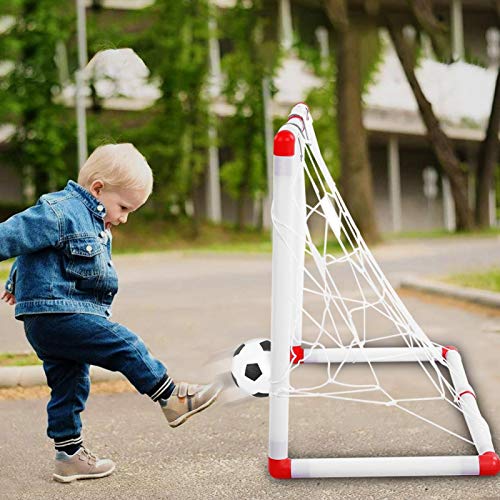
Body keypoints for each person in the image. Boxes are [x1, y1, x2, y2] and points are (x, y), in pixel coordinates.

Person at [0, 143, 221, 483]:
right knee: (124, 344)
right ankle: (171, 397)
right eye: (123, 207)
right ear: (98, 188)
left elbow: (36, 250)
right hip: (58, 315)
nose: (124, 217)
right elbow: (15, 235)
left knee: (70, 384)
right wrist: (19, 282)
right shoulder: (61, 211)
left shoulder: (93, 221)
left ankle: (69, 455)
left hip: (54, 319)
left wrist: (16, 280)